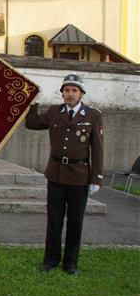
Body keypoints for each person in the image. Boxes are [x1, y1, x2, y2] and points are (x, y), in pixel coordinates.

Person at [26, 73, 104, 275]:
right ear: (62, 94)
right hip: (56, 175)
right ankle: (51, 259)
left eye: (74, 90)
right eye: (67, 90)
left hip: (79, 176)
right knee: (54, 219)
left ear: (81, 94)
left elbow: (98, 148)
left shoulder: (93, 115)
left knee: (75, 221)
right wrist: (33, 101)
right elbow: (32, 123)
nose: (70, 94)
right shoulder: (54, 112)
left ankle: (70, 262)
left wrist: (96, 178)